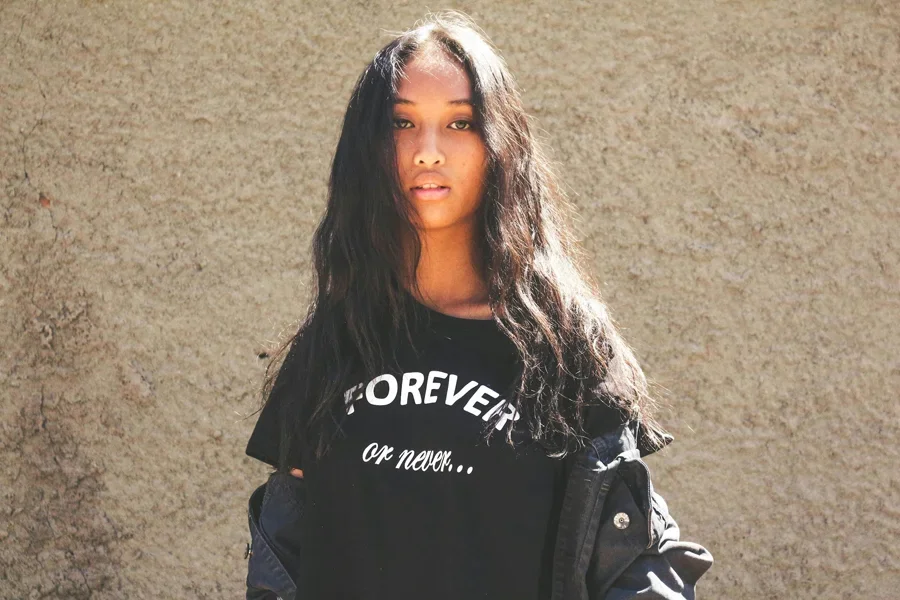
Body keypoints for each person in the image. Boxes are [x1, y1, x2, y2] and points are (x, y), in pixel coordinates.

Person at [244, 10, 712, 600]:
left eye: (460, 123)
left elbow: (631, 566)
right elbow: (284, 561)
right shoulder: (332, 346)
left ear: (500, 145)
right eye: (401, 122)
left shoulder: (565, 348)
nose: (428, 151)